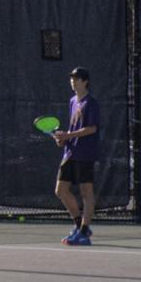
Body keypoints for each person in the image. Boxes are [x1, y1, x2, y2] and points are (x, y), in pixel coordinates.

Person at [53, 66, 100, 246]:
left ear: (85, 81)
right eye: (72, 78)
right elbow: (73, 128)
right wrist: (63, 140)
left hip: (85, 153)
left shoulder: (91, 103)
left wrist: (69, 136)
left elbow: (92, 128)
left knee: (86, 192)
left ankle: (83, 231)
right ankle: (80, 226)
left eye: (77, 78)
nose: (73, 81)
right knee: (60, 191)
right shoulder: (73, 101)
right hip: (70, 152)